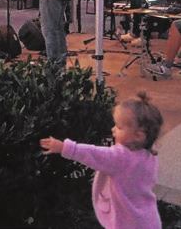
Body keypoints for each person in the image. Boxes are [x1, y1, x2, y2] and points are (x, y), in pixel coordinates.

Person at [40, 92, 163, 229]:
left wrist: (64, 148)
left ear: (138, 136)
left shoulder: (120, 157)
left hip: (127, 222)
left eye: (119, 127)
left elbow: (94, 154)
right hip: (148, 219)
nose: (113, 129)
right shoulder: (148, 153)